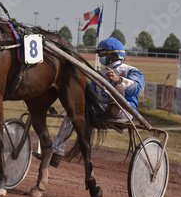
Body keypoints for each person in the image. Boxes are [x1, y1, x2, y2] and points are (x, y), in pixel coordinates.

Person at [34, 37, 144, 168]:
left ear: (114, 55)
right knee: (73, 112)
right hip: (101, 110)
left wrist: (118, 80)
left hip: (125, 111)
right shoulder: (100, 73)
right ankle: (56, 153)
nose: (99, 56)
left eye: (102, 53)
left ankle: (115, 104)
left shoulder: (131, 70)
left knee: (117, 95)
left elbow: (136, 87)